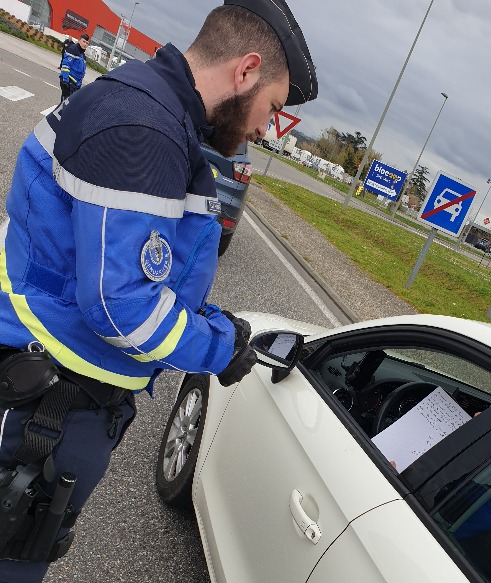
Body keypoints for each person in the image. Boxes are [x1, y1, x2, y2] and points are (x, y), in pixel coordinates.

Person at [0, 0, 317, 579]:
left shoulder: (157, 113)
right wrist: (220, 349)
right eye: (272, 107)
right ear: (246, 70)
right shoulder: (144, 129)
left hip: (52, 383)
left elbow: (137, 268)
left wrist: (207, 318)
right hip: (44, 399)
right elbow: (119, 306)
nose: (265, 129)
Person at [58, 33, 89, 104]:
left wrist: (79, 85)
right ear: (79, 40)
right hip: (69, 82)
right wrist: (65, 81)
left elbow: (81, 71)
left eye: (87, 43)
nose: (85, 44)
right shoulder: (72, 49)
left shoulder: (83, 55)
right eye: (84, 41)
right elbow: (66, 65)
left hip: (75, 85)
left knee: (70, 105)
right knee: (65, 105)